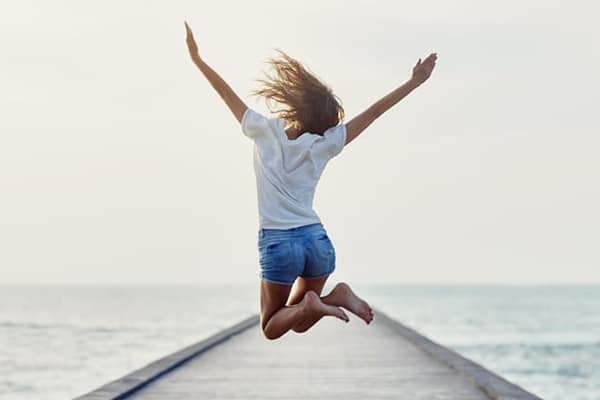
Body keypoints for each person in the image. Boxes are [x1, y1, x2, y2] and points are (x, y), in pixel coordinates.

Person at [184, 21, 437, 340]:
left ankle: (318, 304)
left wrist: (198, 60)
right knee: (300, 320)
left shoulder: (264, 131)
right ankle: (334, 297)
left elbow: (226, 94)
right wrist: (414, 82)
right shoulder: (324, 144)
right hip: (317, 242)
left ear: (296, 105)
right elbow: (373, 113)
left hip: (279, 242)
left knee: (272, 326)